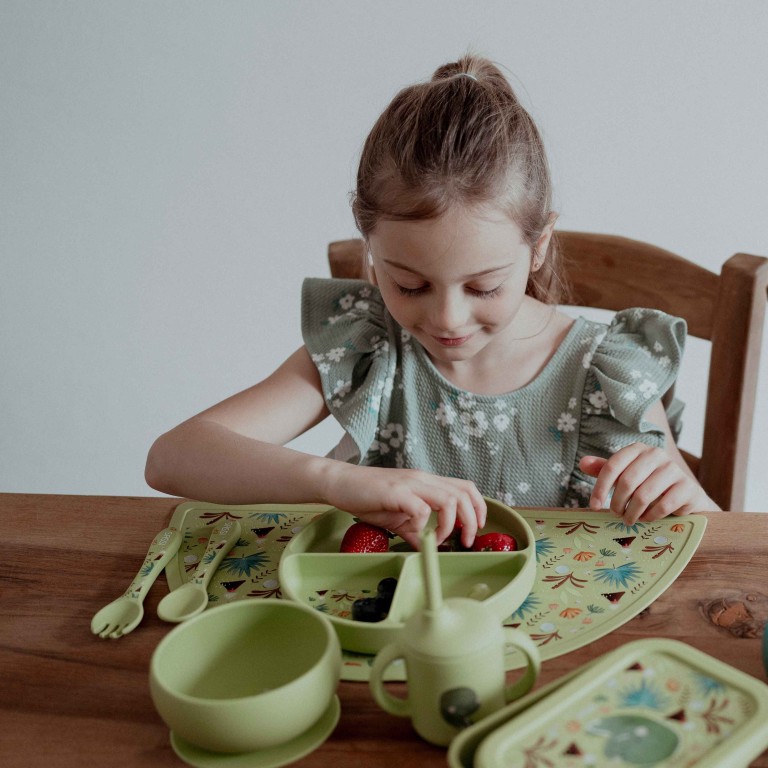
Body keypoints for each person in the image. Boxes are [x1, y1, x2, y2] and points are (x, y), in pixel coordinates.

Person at [145, 54, 719, 549]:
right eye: (409, 286)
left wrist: (685, 498)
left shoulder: (607, 372)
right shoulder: (367, 346)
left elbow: (713, 540)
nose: (447, 319)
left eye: (484, 287)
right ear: (370, 248)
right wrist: (334, 481)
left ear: (539, 245)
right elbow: (172, 457)